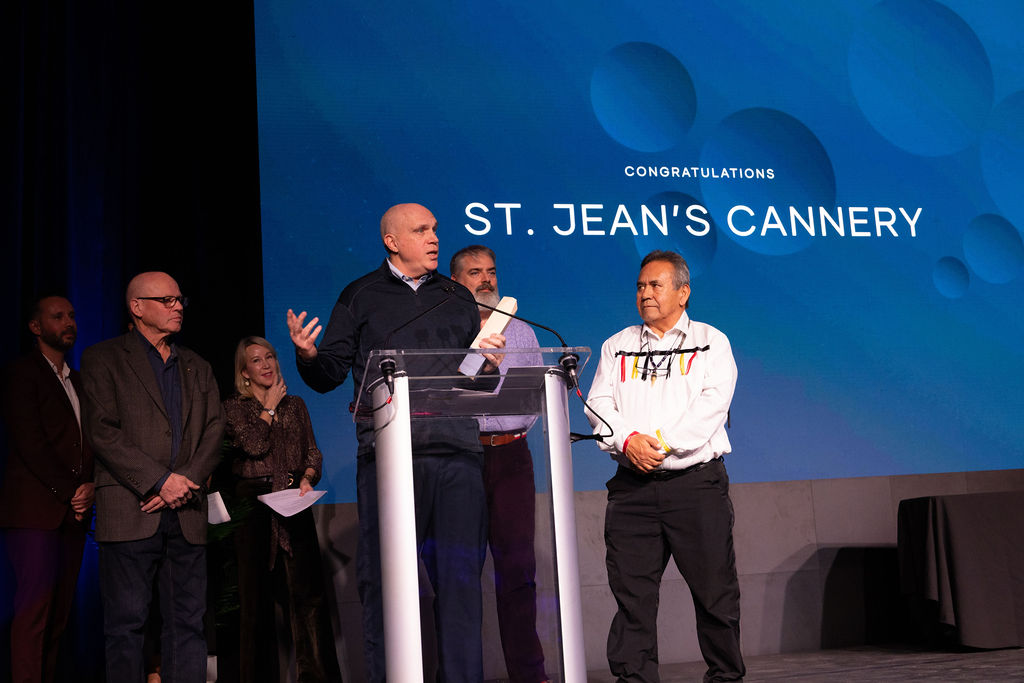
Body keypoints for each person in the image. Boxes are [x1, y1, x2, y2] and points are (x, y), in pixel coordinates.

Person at [287, 202, 504, 682]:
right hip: (388, 458)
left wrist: (487, 369)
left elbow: (473, 383)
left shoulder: (457, 296)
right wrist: (307, 355)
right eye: (421, 230)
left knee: (460, 583)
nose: (433, 238)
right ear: (392, 241)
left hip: (457, 455)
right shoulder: (360, 295)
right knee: (386, 584)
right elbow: (329, 375)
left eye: (435, 229)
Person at [585, 250, 744, 682]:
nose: (645, 293)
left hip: (695, 486)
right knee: (632, 599)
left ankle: (726, 677)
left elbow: (713, 406)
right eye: (640, 286)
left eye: (655, 285)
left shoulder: (713, 341)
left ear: (683, 292)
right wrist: (626, 441)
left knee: (715, 596)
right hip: (632, 489)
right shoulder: (616, 345)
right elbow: (598, 402)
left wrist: (657, 443)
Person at [80, 271, 225, 682]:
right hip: (131, 508)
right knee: (126, 626)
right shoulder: (103, 358)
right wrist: (161, 481)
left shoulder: (196, 365)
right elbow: (103, 431)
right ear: (137, 307)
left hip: (187, 512)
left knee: (188, 624)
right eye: (167, 300)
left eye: (180, 299)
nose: (177, 306)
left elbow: (215, 431)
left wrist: (183, 482)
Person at [449, 245, 548, 683]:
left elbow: (532, 397)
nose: (486, 280)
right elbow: (446, 396)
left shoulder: (524, 333)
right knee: (457, 575)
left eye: (491, 271)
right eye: (475, 273)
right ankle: (458, 674)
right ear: (455, 283)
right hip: (462, 458)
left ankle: (529, 674)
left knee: (517, 572)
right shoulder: (446, 330)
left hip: (511, 457)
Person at [222, 336, 342, 683]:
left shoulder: (297, 404)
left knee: (309, 599)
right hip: (254, 506)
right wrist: (269, 408)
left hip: (293, 500)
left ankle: (317, 676)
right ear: (244, 372)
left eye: (270, 357)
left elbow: (313, 452)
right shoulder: (233, 407)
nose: (267, 364)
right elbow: (254, 445)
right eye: (256, 360)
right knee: (255, 603)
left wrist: (306, 477)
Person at [0, 296, 95, 683]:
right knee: (33, 613)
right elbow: (30, 442)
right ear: (36, 327)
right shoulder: (23, 374)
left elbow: (89, 441)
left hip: (72, 512)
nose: (68, 322)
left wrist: (89, 485)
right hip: (35, 512)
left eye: (72, 315)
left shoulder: (80, 380)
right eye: (57, 317)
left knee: (59, 614)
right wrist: (70, 490)